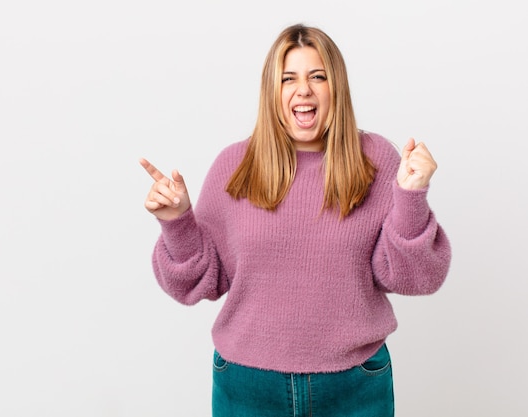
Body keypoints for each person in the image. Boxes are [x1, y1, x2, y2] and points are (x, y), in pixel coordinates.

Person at [139, 23, 451, 417]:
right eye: (289, 78)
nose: (303, 90)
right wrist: (178, 222)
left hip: (355, 383)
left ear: (336, 86)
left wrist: (410, 198)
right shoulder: (235, 166)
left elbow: (416, 277)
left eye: (317, 76)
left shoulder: (377, 160)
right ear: (273, 91)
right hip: (248, 386)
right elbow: (196, 285)